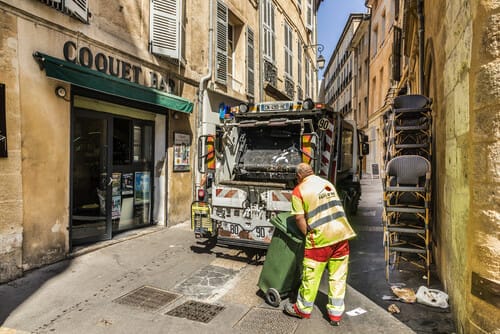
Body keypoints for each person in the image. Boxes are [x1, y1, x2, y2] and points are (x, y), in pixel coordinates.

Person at [284, 162, 356, 326]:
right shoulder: (327, 183)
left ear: (299, 177)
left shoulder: (299, 190)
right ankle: (335, 315)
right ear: (312, 172)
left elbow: (299, 218)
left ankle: (302, 309)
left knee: (311, 276)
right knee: (338, 276)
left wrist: (307, 234)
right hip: (341, 235)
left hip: (321, 240)